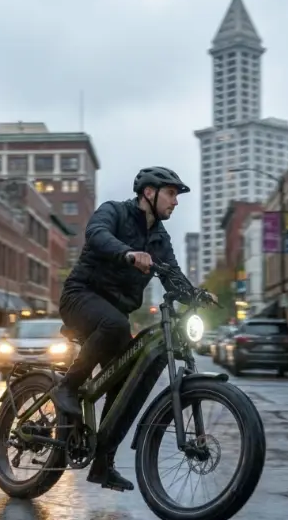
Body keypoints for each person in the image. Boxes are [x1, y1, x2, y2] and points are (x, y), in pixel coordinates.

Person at [51, 166, 214, 493]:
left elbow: (173, 275)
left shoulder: (159, 237)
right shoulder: (114, 211)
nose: (175, 202)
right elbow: (97, 235)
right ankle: (67, 387)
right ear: (149, 193)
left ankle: (103, 463)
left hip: (115, 314)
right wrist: (127, 253)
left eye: (177, 196)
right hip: (80, 297)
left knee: (130, 377)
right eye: (171, 194)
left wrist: (195, 294)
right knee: (116, 325)